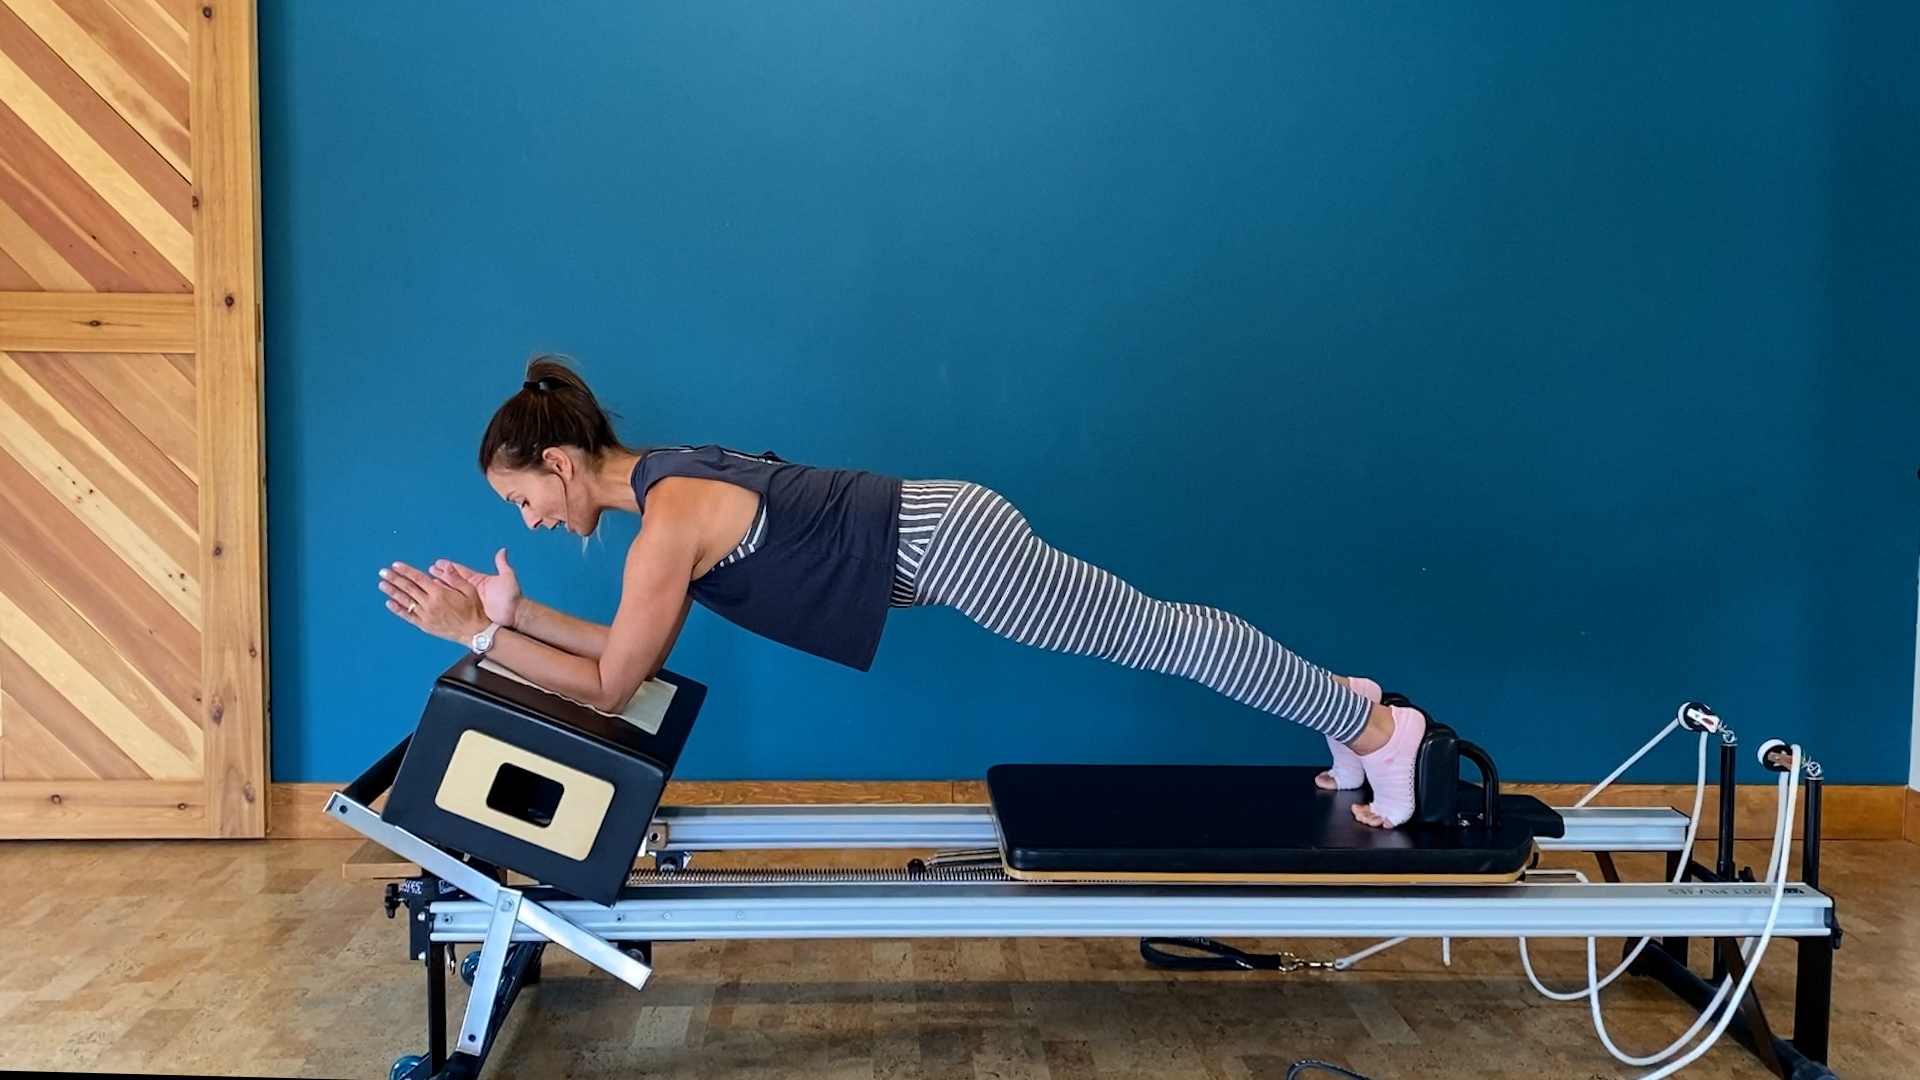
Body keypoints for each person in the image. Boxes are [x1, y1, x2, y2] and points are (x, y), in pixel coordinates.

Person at [378, 355, 1430, 827]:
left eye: (523, 500)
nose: (531, 522)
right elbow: (623, 646)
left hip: (948, 541)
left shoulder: (664, 525)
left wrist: (475, 637)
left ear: (559, 465)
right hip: (935, 533)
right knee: (1157, 630)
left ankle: (1375, 726)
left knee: (1155, 636)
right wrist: (507, 620)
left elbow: (611, 685)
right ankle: (1341, 706)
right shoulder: (665, 484)